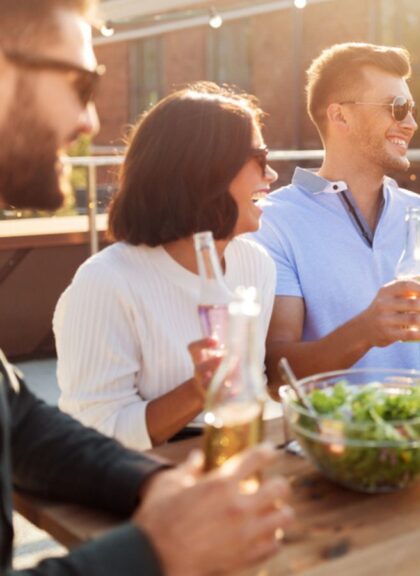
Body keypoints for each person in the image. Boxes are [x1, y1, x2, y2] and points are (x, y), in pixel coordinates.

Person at [0, 1, 292, 574]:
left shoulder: (255, 263)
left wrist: (157, 485)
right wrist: (157, 548)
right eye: (82, 82)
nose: (90, 123)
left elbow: (23, 421)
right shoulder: (106, 283)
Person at [52, 84, 278, 450]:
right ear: (206, 171)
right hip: (142, 486)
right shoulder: (106, 283)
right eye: (261, 158)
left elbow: (250, 390)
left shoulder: (255, 265)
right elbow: (94, 432)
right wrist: (198, 390)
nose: (272, 177)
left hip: (232, 461)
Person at [250, 42, 420, 383]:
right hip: (332, 434)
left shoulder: (417, 211)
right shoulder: (274, 221)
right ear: (340, 115)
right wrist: (367, 330)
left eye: (412, 109)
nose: (411, 123)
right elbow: (278, 369)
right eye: (396, 107)